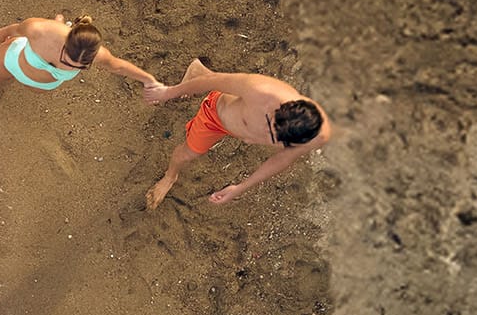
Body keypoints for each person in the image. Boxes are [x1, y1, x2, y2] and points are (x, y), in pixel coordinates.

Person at [138, 60, 333, 209]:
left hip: (237, 124)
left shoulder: (314, 136)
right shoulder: (261, 90)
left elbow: (283, 159)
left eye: (275, 138)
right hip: (215, 117)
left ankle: (198, 69)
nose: (267, 134)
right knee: (188, 153)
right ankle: (170, 176)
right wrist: (169, 92)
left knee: (219, 84)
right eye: (269, 125)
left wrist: (240, 187)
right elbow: (210, 82)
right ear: (279, 109)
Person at [0, 12, 158, 120]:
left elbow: (119, 67)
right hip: (12, 60)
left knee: (34, 88)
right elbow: (14, 29)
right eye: (67, 60)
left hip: (43, 84)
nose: (70, 66)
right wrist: (3, 35)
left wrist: (149, 80)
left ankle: (60, 21)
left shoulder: (98, 55)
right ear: (64, 43)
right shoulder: (39, 30)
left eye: (81, 66)